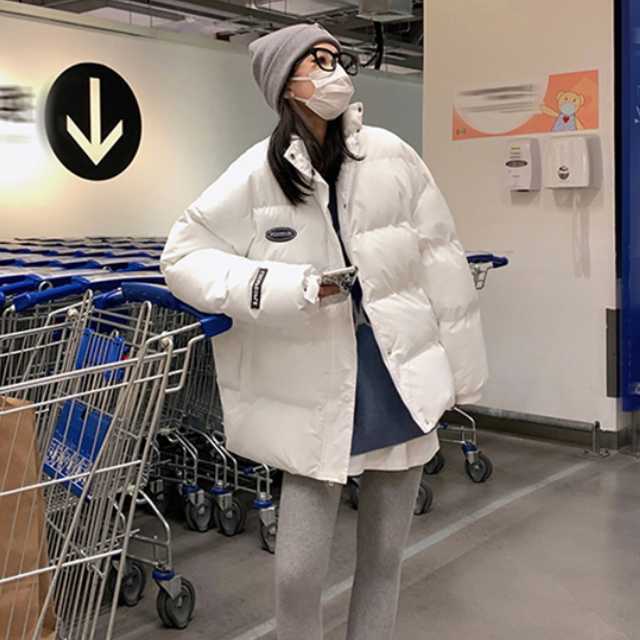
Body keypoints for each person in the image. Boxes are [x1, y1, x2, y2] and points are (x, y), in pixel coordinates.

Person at [160, 21, 488, 640]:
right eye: (317, 59)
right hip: (316, 387)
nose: (334, 70)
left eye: (338, 57)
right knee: (297, 576)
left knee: (384, 560)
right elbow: (182, 257)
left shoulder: (390, 154)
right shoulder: (257, 172)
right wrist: (288, 288)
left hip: (397, 376)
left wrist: (464, 375)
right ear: (286, 83)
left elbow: (440, 255)